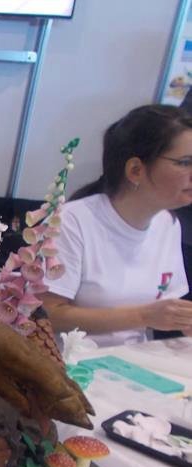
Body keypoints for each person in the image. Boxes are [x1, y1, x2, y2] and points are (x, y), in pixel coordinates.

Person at [41, 104, 192, 347]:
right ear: (135, 170)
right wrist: (143, 316)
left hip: (132, 359)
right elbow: (48, 314)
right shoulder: (71, 221)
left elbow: (171, 307)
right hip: (69, 363)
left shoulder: (168, 223)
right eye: (185, 162)